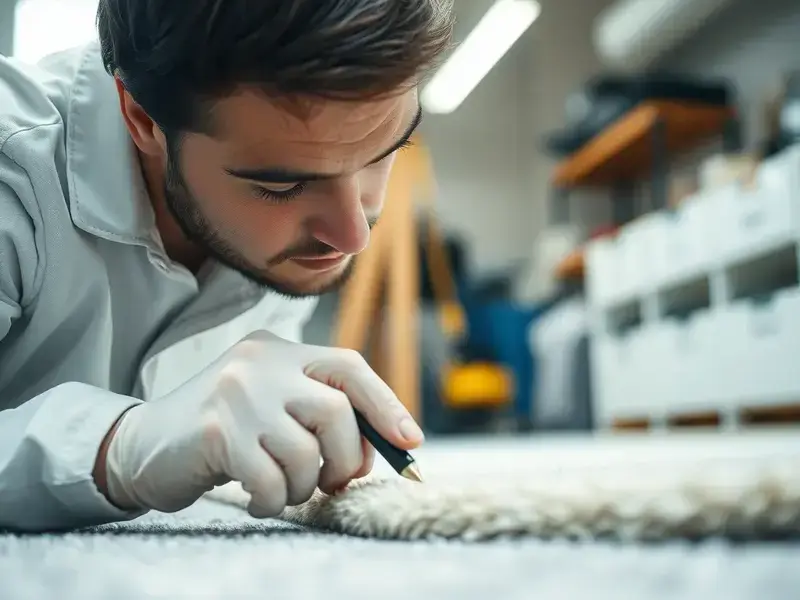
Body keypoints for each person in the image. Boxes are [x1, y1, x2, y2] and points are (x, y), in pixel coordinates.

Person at [0, 0, 453, 532]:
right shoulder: (15, 170)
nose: (353, 235)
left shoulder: (268, 210)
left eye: (385, 151)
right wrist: (120, 448)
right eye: (281, 186)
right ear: (142, 120)